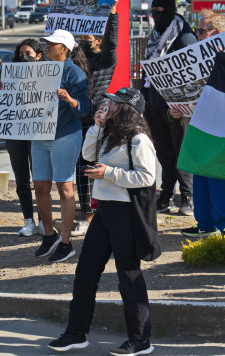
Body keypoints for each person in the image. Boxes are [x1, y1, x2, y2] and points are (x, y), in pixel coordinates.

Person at [48, 88, 157, 355]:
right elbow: (87, 154)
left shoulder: (138, 139)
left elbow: (147, 178)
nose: (108, 105)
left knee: (128, 276)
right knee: (85, 273)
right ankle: (76, 332)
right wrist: (96, 127)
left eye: (114, 103)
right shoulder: (108, 132)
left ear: (127, 108)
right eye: (109, 101)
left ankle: (140, 339)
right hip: (104, 213)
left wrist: (109, 173)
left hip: (125, 213)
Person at [181, 10, 225, 240]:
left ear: (218, 32)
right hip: (201, 124)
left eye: (202, 31)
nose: (198, 35)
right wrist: (178, 107)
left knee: (221, 176)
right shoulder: (193, 55)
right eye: (197, 31)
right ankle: (205, 223)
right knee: (201, 174)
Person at [34, 29, 90, 263]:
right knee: (39, 187)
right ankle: (49, 235)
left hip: (65, 135)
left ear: (64, 49)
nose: (47, 46)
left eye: (52, 43)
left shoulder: (74, 72)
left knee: (64, 188)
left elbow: (85, 108)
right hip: (39, 135)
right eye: (46, 42)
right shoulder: (39, 70)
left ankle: (66, 242)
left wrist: (69, 99)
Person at [142, 0, 197, 216]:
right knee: (164, 154)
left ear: (171, 11)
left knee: (181, 153)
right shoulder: (155, 34)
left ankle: (187, 197)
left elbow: (193, 76)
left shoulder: (184, 37)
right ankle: (166, 195)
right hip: (155, 103)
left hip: (177, 108)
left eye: (160, 12)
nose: (155, 15)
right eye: (153, 12)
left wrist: (183, 105)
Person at [74, 0, 120, 236]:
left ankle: (103, 213)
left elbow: (112, 42)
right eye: (83, 32)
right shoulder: (74, 60)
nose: (86, 35)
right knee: (81, 170)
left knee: (99, 167)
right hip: (76, 120)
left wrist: (112, 13)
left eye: (91, 32)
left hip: (98, 122)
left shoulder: (105, 60)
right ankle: (87, 215)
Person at [6, 38, 46, 237]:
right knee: (21, 178)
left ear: (39, 56)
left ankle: (43, 220)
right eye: (21, 53)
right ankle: (28, 220)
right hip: (15, 133)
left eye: (28, 53)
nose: (23, 57)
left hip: (37, 133)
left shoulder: (47, 75)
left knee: (40, 179)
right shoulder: (9, 76)